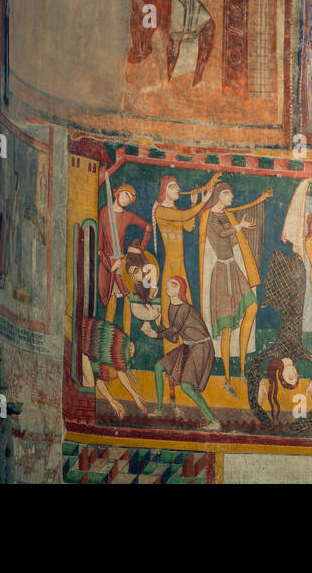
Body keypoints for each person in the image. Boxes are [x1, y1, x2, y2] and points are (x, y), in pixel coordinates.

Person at [197, 183, 261, 395]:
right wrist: (238, 228)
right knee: (226, 329)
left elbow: (232, 239)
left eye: (231, 192)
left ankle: (242, 369)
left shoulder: (228, 216)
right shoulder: (208, 216)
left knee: (252, 308)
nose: (231, 195)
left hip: (233, 268)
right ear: (218, 195)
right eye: (227, 192)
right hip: (221, 273)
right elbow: (220, 235)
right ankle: (227, 379)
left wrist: (242, 233)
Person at [142, 276, 221, 431]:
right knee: (158, 367)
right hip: (188, 345)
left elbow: (175, 329)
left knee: (186, 386)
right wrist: (158, 324)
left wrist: (155, 334)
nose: (166, 288)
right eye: (166, 286)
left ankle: (214, 421)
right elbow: (173, 337)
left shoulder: (185, 307)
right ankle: (159, 410)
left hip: (201, 346)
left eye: (170, 286)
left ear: (178, 289)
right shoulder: (171, 308)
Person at [151, 172, 220, 337]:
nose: (178, 189)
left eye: (177, 186)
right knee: (171, 302)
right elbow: (183, 216)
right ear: (164, 191)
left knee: (185, 301)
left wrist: (192, 203)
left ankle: (185, 336)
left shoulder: (174, 209)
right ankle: (170, 338)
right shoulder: (161, 210)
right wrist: (203, 201)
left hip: (179, 263)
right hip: (171, 264)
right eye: (173, 186)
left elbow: (188, 226)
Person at [98, 182, 151, 324]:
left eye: (130, 198)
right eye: (125, 194)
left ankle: (126, 336)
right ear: (118, 192)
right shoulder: (104, 212)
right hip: (107, 265)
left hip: (122, 263)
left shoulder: (128, 216)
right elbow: (99, 249)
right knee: (111, 301)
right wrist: (110, 266)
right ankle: (108, 335)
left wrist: (140, 250)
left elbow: (148, 227)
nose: (126, 199)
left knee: (128, 298)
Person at [79, 315, 149, 420]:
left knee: (90, 383)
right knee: (89, 383)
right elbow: (121, 371)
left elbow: (97, 378)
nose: (131, 349)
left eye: (132, 352)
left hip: (82, 352)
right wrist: (134, 394)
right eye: (132, 348)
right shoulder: (120, 345)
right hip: (80, 342)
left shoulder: (109, 365)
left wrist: (111, 400)